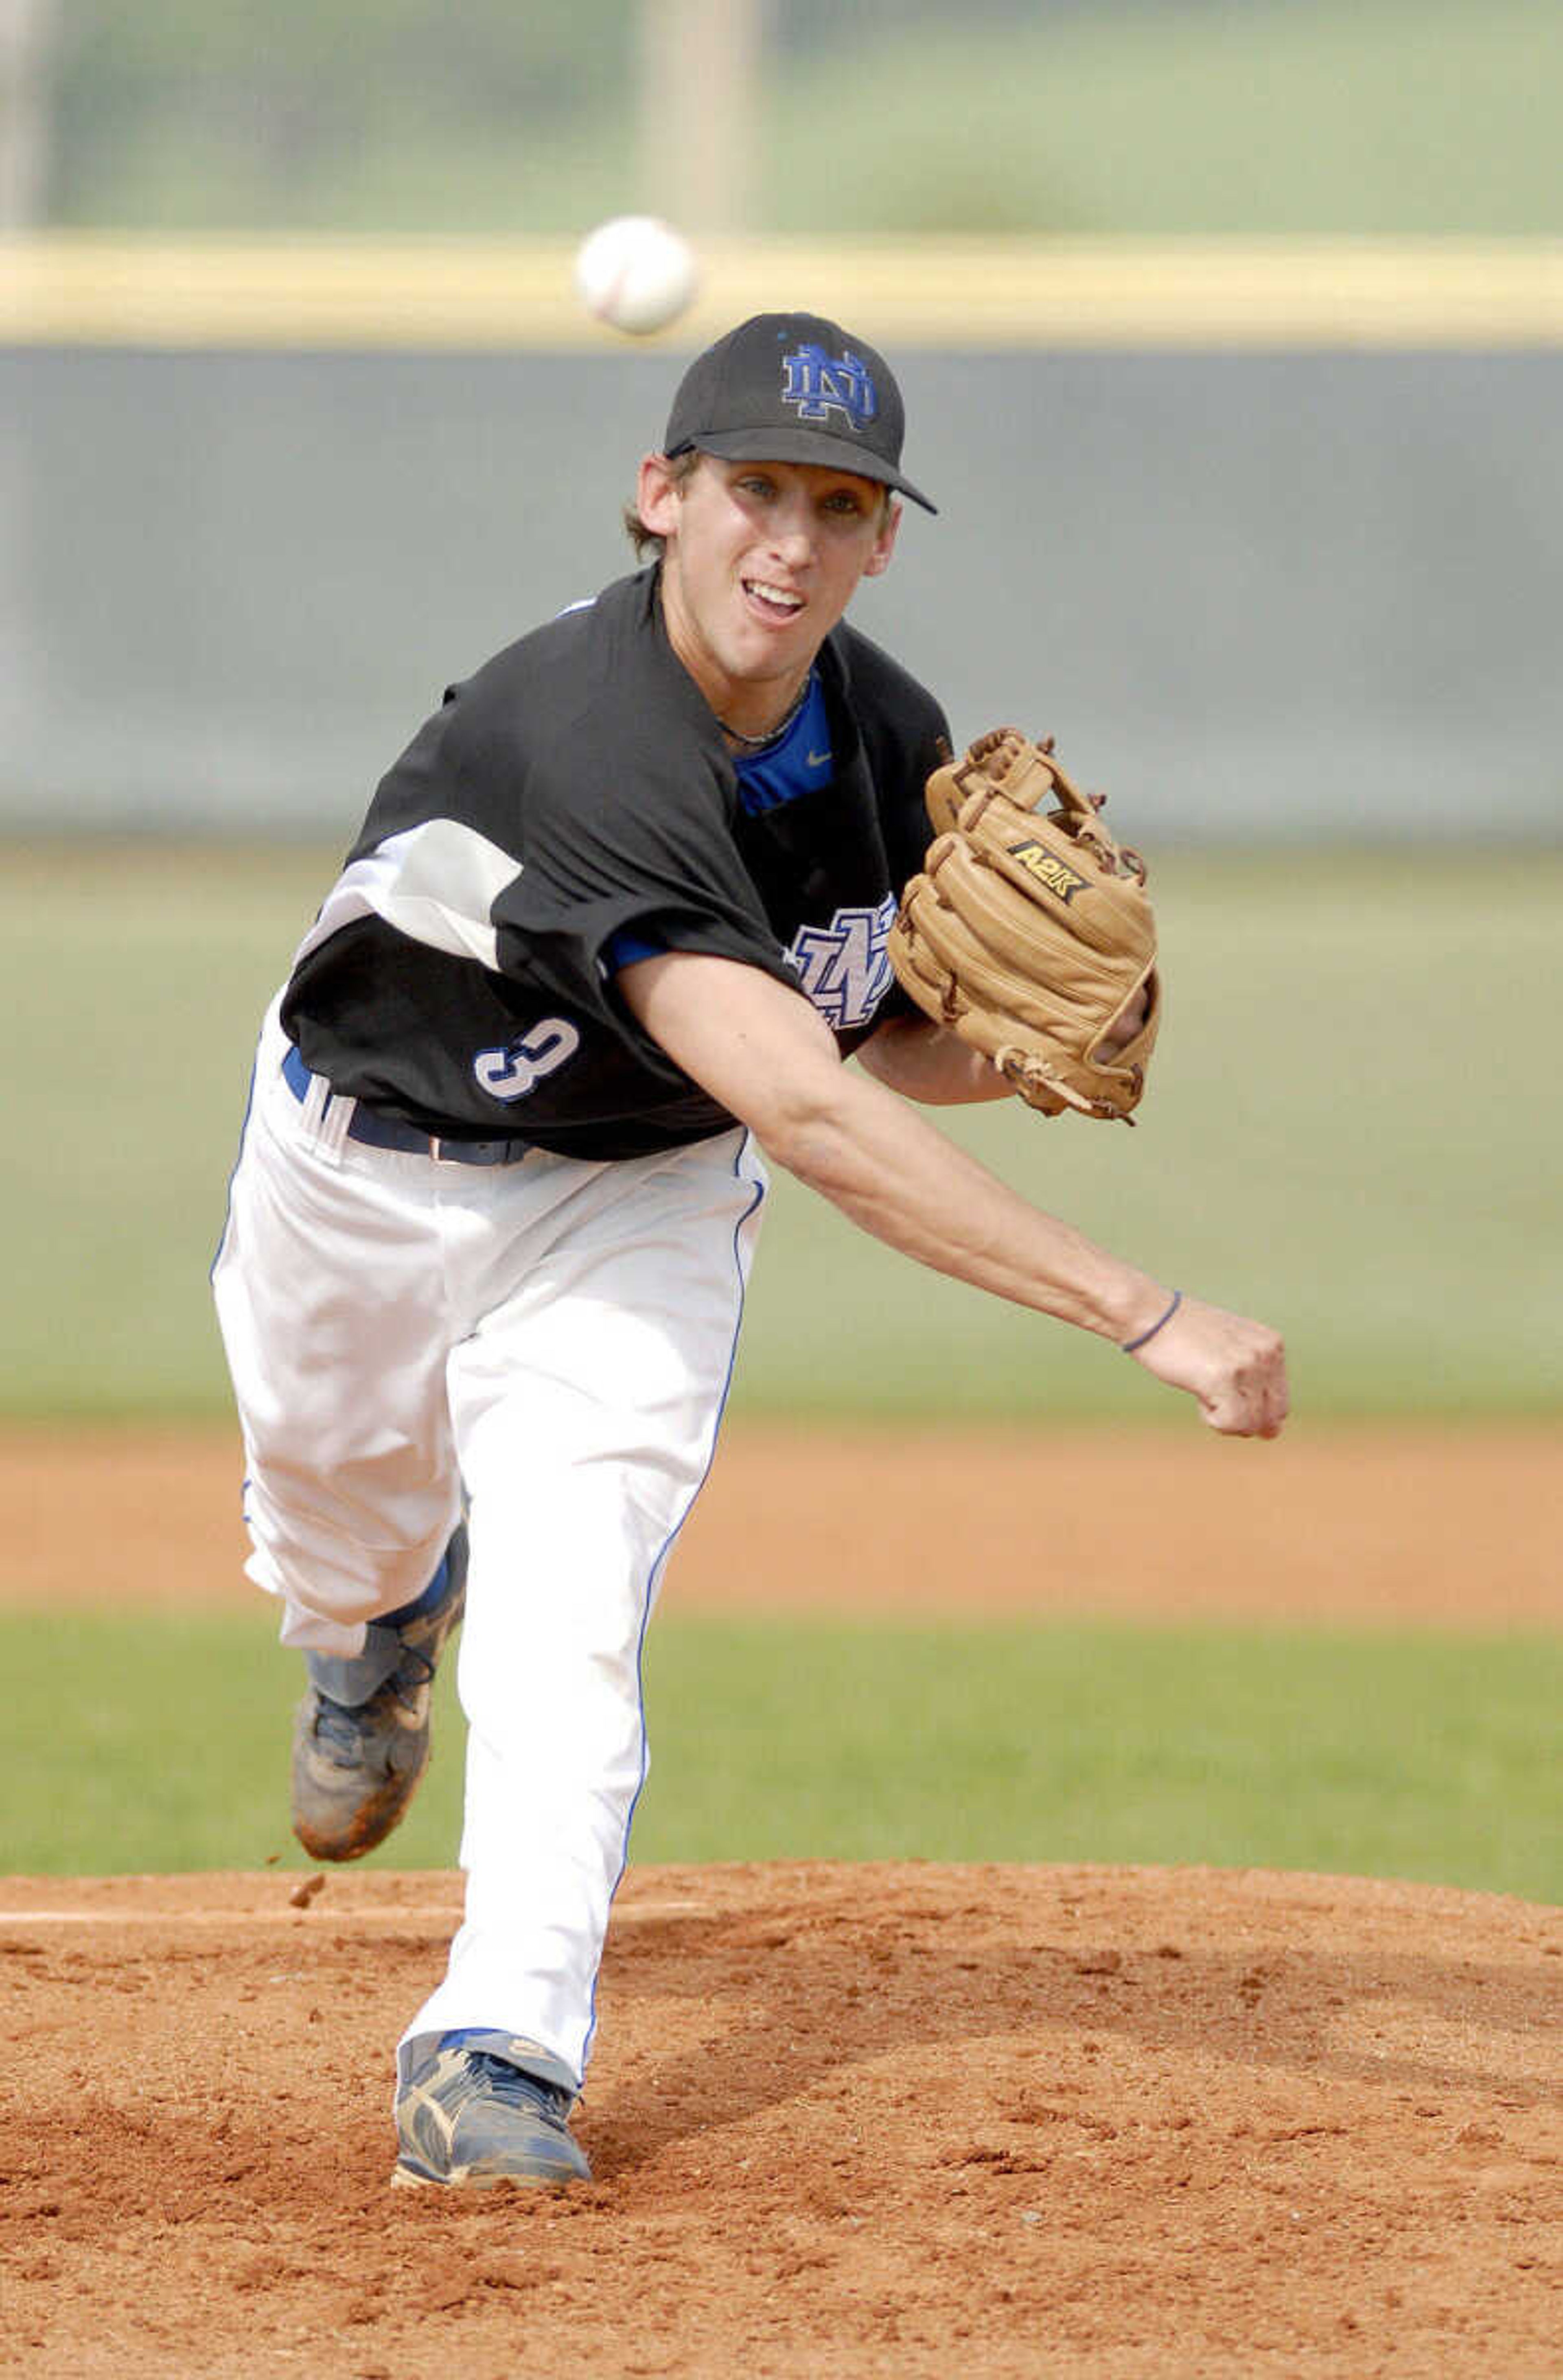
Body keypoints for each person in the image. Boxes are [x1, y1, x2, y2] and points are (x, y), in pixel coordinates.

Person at [212, 310, 1287, 2193]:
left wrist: (1022, 1056)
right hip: (361, 1170)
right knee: (337, 1519)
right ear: (664, 498)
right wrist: (1146, 1309)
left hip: (633, 1193)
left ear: (884, 539)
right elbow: (803, 1104)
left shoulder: (888, 740)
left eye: (839, 504)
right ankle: (367, 1624)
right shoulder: (586, 734)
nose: (789, 542)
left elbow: (857, 1044)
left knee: (573, 1614)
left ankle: (495, 2051)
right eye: (754, 492)